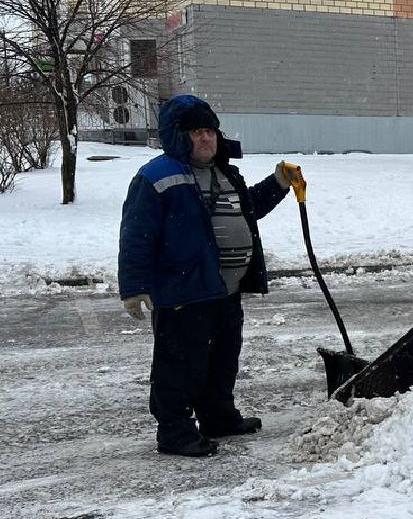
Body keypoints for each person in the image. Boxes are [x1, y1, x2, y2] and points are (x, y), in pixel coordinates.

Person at [118, 94, 297, 457]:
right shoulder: (157, 176)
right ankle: (175, 431)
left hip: (224, 290)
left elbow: (247, 209)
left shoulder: (225, 173)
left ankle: (218, 416)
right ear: (177, 135)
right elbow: (137, 233)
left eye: (211, 131)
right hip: (183, 291)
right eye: (197, 132)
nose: (206, 139)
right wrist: (134, 286)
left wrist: (278, 182)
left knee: (223, 358)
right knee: (180, 364)